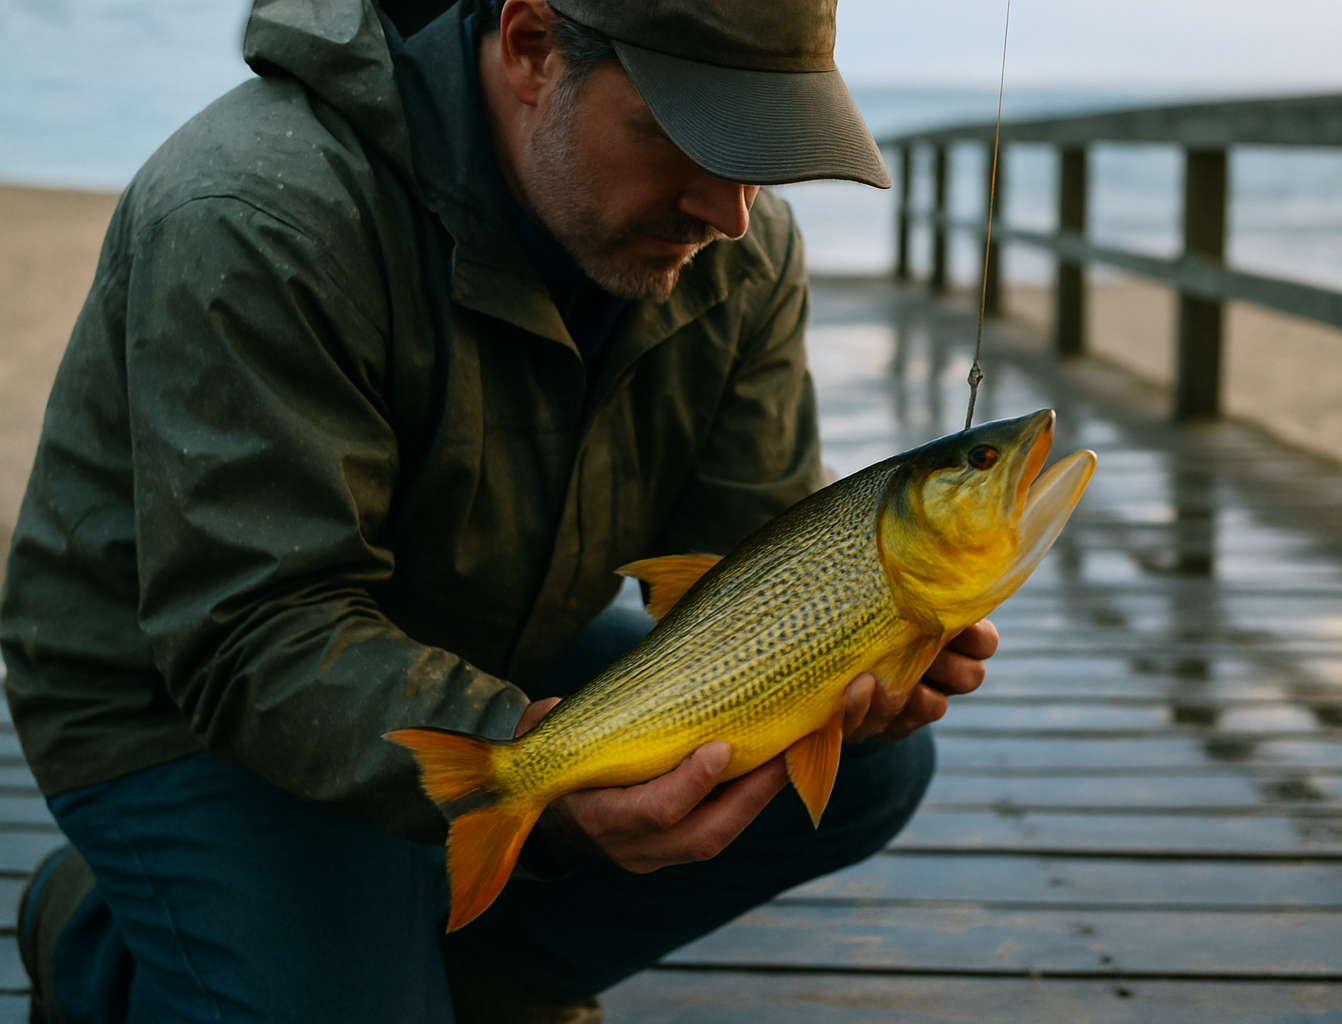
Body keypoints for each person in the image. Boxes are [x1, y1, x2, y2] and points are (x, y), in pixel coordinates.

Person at [0, 0, 999, 1020]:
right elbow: (252, 630)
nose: (730, 209)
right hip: (184, 699)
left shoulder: (739, 247)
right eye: (688, 135)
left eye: (761, 148)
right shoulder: (257, 212)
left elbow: (749, 560)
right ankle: (99, 947)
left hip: (488, 636)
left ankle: (458, 974)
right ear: (531, 49)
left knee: (870, 772)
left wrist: (850, 652)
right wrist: (546, 779)